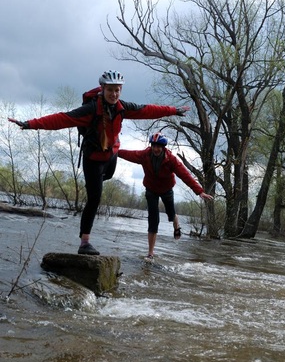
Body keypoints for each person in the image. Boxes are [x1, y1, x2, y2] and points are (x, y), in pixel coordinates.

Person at [8, 70, 190, 256]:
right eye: (110, 90)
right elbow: (62, 119)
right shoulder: (91, 109)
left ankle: (95, 184)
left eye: (117, 90)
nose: (114, 94)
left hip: (110, 156)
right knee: (94, 199)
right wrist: (29, 124)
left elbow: (148, 110)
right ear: (102, 89)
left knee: (108, 176)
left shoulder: (122, 107)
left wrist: (174, 110)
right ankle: (84, 243)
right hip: (93, 159)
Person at [118, 132, 213, 261]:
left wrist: (199, 191)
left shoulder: (171, 160)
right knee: (153, 219)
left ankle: (176, 225)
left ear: (163, 147)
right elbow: (129, 154)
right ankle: (150, 253)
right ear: (151, 146)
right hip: (151, 189)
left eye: (159, 146)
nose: (156, 149)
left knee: (170, 213)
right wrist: (114, 151)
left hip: (166, 189)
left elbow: (185, 175)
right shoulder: (144, 155)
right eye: (154, 146)